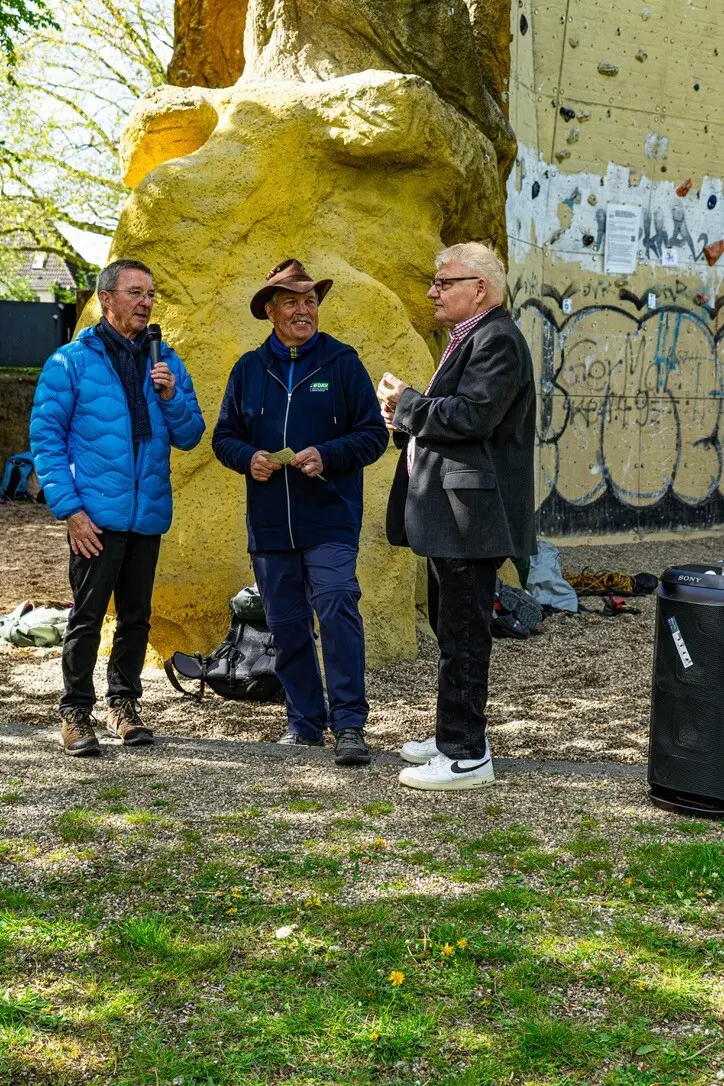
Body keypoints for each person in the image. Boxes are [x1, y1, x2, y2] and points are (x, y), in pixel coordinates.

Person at [212, 259, 388, 766]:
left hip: (329, 516)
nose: (303, 309)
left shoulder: (342, 363)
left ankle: (350, 724)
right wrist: (250, 459)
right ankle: (305, 722)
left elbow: (374, 434)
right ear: (270, 310)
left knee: (336, 605)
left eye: (310, 300)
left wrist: (327, 454)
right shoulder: (248, 369)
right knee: (286, 624)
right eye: (291, 301)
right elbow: (224, 439)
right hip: (269, 525)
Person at [30, 258, 205, 756]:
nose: (146, 301)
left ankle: (124, 706)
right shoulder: (71, 361)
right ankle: (75, 713)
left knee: (136, 618)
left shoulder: (165, 359)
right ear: (107, 299)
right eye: (135, 292)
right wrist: (71, 511)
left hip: (146, 513)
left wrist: (171, 397)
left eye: (150, 293)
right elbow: (47, 439)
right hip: (94, 518)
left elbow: (191, 435)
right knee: (86, 617)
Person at [378, 242, 536, 791]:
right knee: (454, 630)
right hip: (453, 513)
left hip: (473, 516)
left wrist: (408, 405)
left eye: (444, 282)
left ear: (481, 289)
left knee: (464, 635)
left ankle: (466, 755)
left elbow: (473, 417)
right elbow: (453, 420)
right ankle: (456, 734)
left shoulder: (497, 340)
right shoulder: (473, 337)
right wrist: (405, 416)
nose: (432, 291)